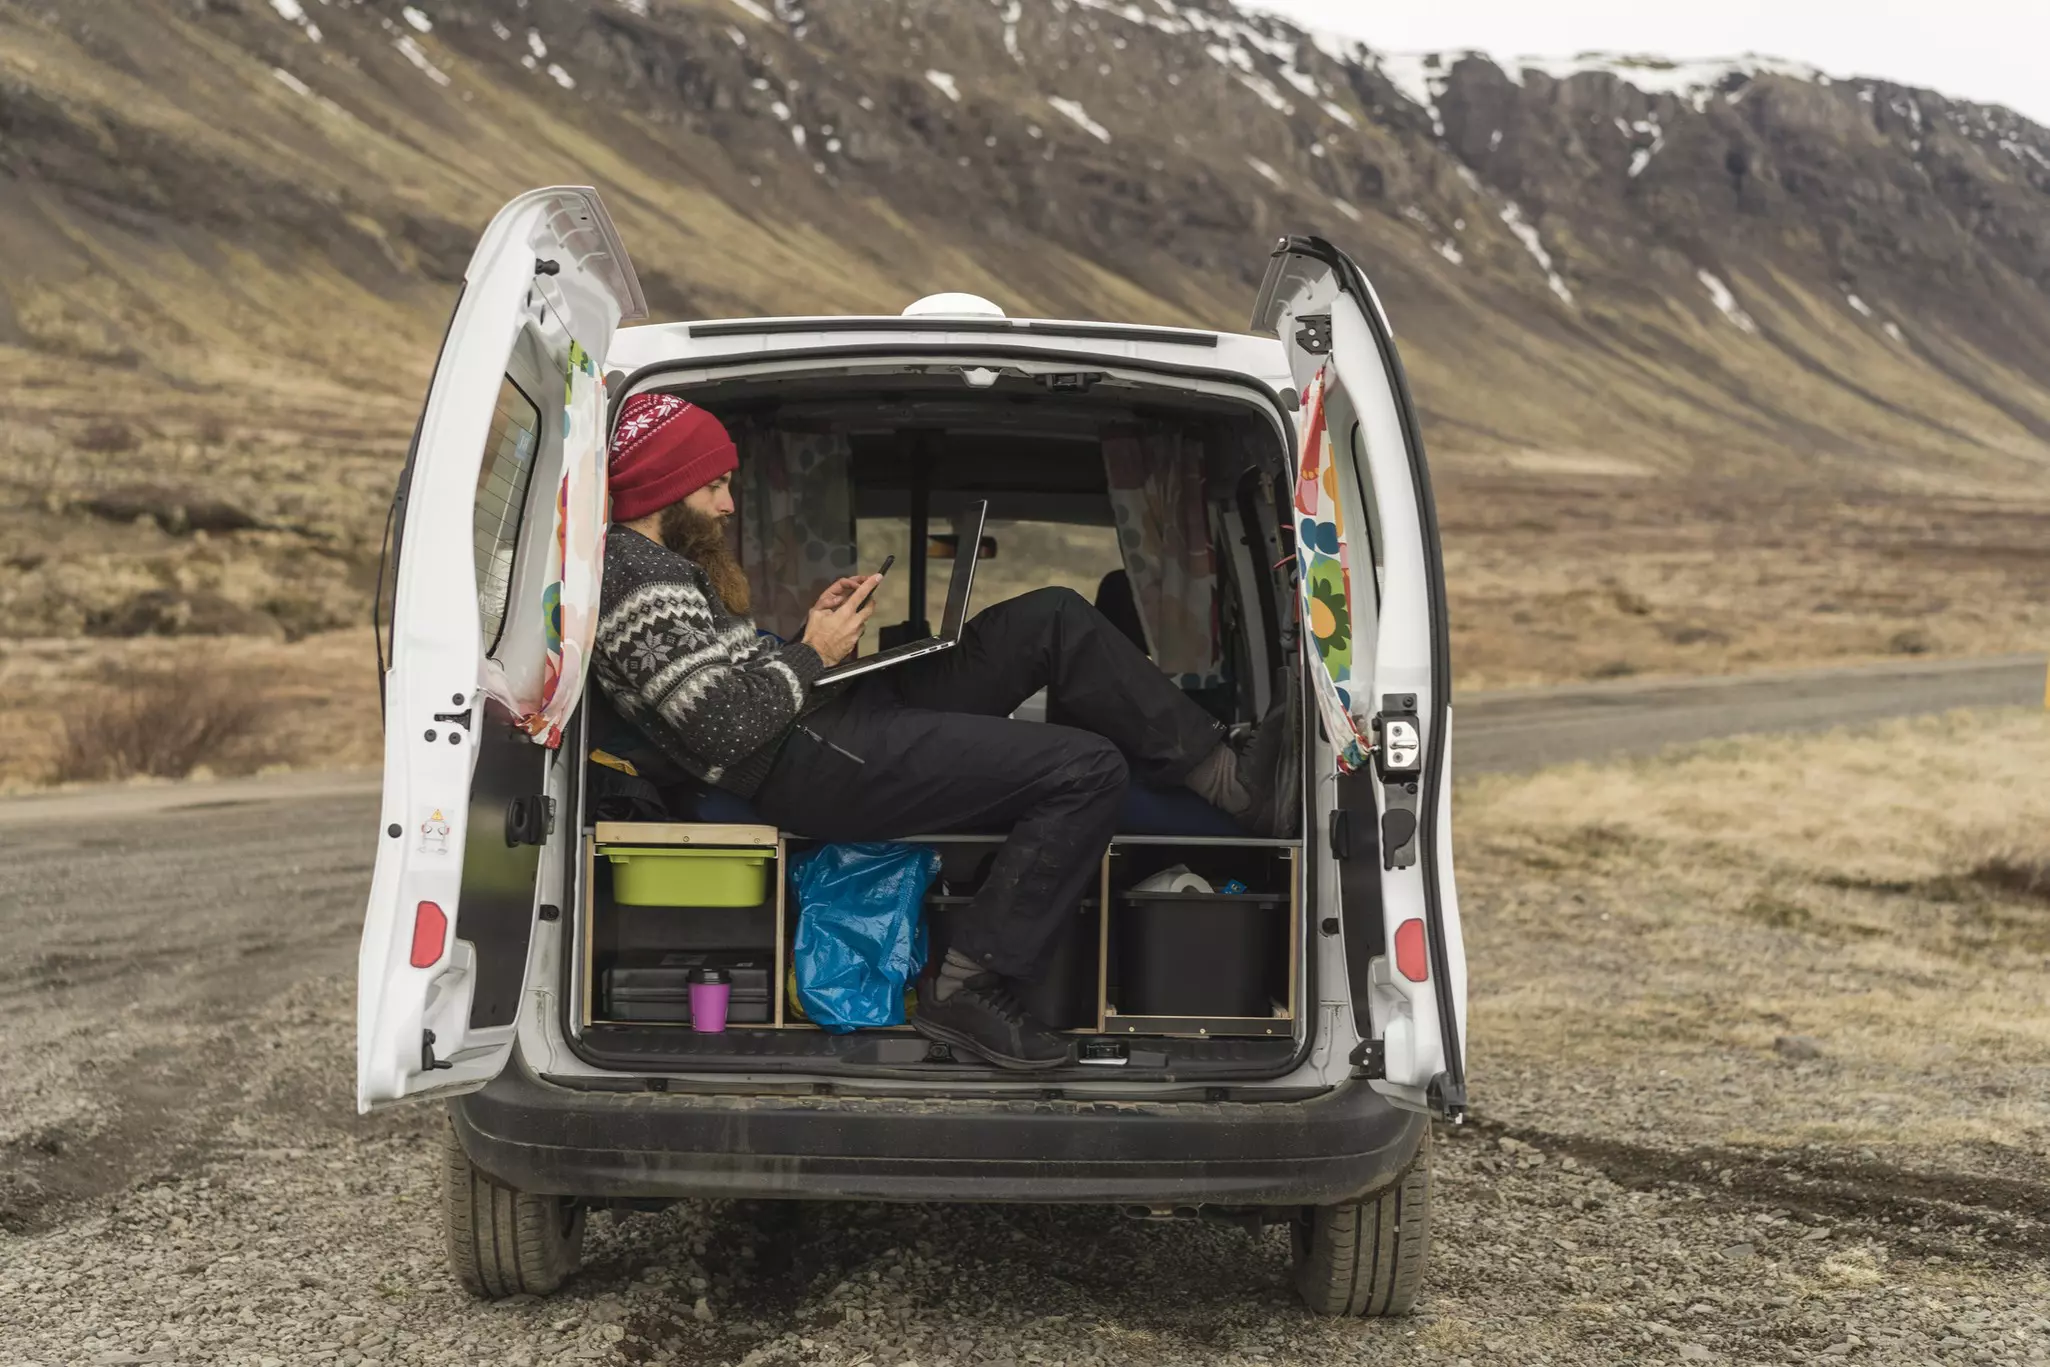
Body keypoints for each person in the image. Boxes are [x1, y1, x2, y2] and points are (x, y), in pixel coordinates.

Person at [591, 393, 1297, 1070]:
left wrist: (808, 637)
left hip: (823, 716)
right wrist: (815, 655)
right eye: (712, 485)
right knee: (1090, 768)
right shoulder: (637, 581)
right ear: (666, 482)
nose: (725, 504)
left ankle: (1229, 781)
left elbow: (725, 687)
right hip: (803, 761)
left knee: (1050, 616)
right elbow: (721, 727)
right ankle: (964, 984)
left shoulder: (659, 567)